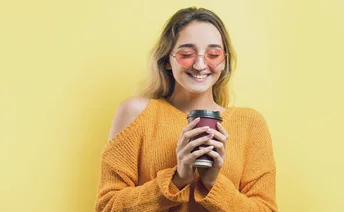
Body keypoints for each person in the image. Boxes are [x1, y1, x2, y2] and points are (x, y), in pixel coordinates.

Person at [94, 7, 277, 211]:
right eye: (187, 54)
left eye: (213, 54)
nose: (200, 65)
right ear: (167, 61)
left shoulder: (250, 123)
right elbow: (106, 207)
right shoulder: (136, 113)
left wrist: (212, 183)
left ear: (224, 61)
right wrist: (177, 178)